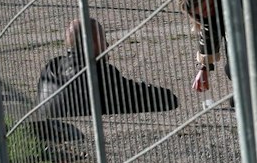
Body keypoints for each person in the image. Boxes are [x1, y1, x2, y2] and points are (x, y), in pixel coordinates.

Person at [35, 17, 178, 118]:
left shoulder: (50, 69)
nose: (108, 45)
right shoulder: (100, 73)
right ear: (91, 43)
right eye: (103, 39)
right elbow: (141, 96)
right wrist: (166, 95)